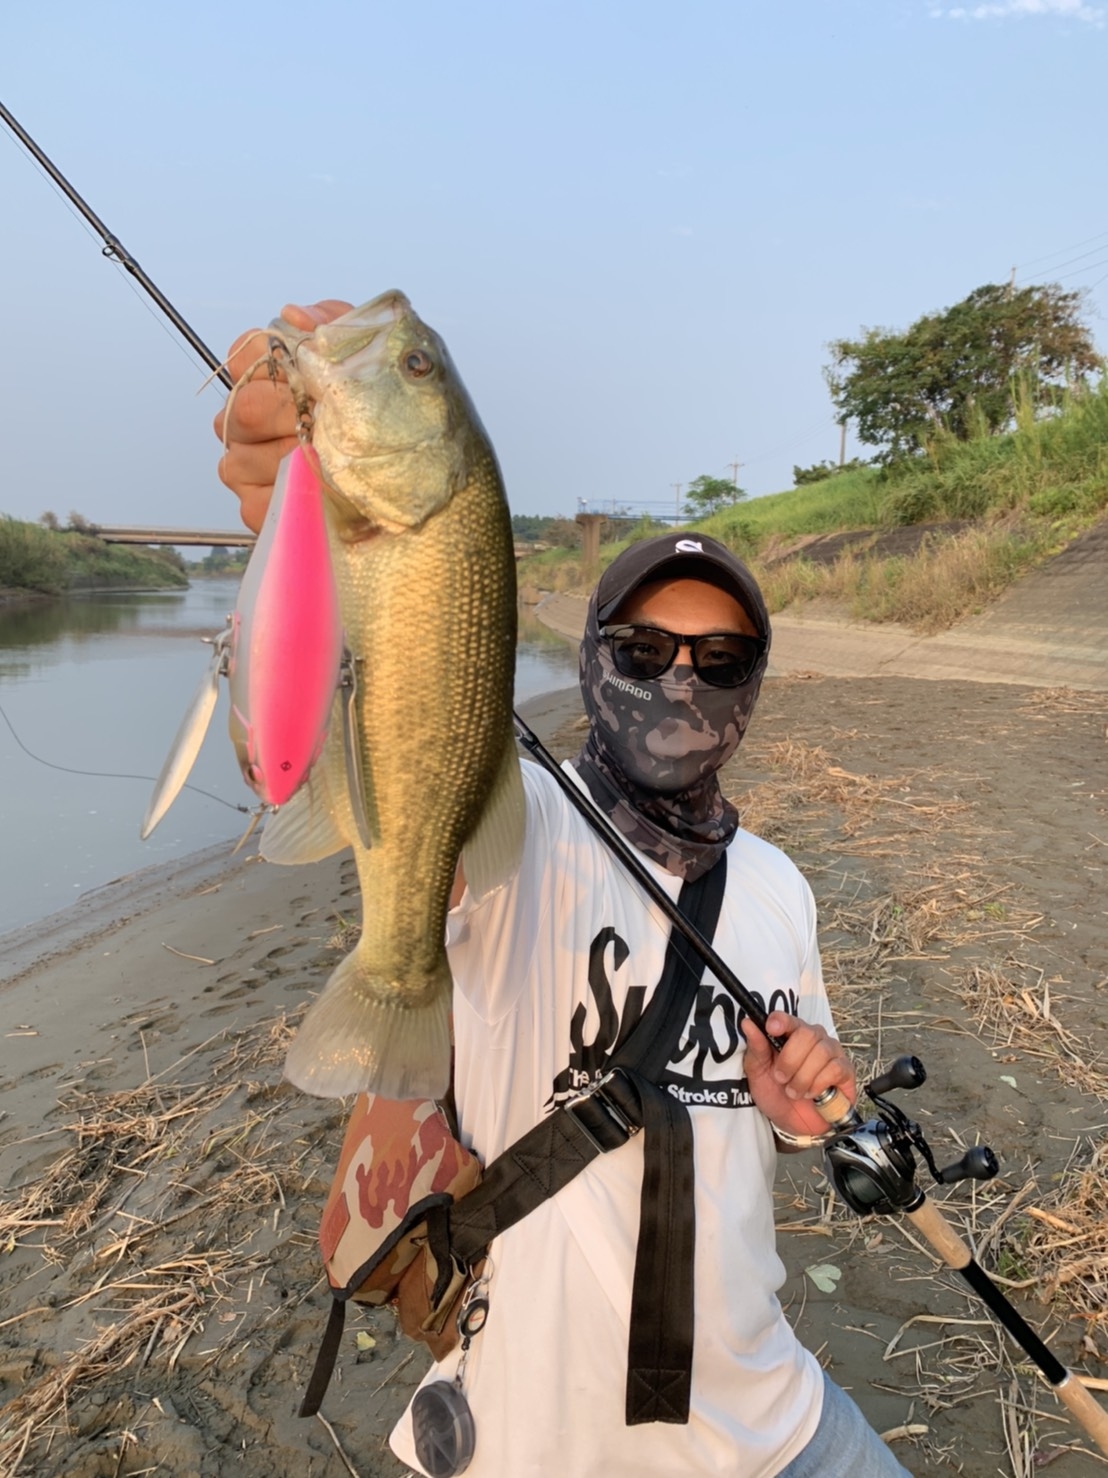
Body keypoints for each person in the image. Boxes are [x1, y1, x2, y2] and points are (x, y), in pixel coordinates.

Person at [215, 302, 912, 1478]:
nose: (681, 680)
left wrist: (811, 1106)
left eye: (720, 659)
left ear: (752, 686)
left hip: (778, 1417)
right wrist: (290, 529)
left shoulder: (779, 888)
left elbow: (799, 1109)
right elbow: (347, 721)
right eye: (644, 651)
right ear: (592, 656)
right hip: (532, 1443)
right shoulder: (519, 823)